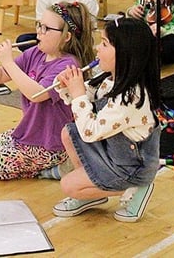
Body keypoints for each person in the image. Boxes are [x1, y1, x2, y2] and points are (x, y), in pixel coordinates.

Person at [51, 18, 162, 223]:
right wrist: (67, 85)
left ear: (125, 54)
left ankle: (134, 187)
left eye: (104, 44)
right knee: (69, 133)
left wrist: (78, 95)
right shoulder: (109, 78)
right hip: (114, 154)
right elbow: (87, 99)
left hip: (131, 168)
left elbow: (90, 131)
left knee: (69, 186)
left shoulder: (131, 96)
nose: (96, 48)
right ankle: (95, 190)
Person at [0, 2, 96, 181]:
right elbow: (0, 76)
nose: (39, 31)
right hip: (31, 132)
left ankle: (56, 167)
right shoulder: (35, 53)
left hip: (51, 143)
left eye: (46, 28)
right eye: (39, 24)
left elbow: (37, 94)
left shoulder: (67, 65)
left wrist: (8, 61)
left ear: (66, 36)